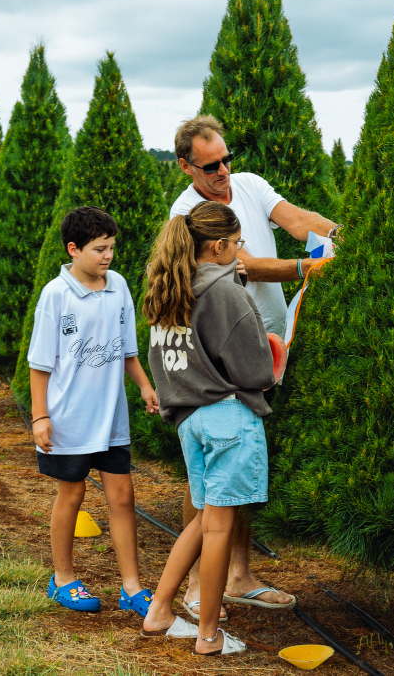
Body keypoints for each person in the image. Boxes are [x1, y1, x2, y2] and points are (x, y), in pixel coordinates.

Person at [169, 115, 340, 621]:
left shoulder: (249, 185)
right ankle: (196, 586)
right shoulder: (188, 212)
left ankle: (238, 576)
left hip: (263, 346)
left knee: (239, 462)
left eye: (226, 159)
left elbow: (298, 221)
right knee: (208, 468)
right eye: (210, 165)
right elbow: (240, 263)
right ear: (185, 167)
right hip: (219, 354)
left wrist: (344, 235)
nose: (223, 171)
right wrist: (305, 267)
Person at [140, 200, 275, 656]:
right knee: (219, 527)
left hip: (190, 420)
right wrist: (273, 351)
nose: (239, 251)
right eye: (237, 243)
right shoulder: (224, 291)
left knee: (203, 521)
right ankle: (209, 635)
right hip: (227, 418)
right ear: (217, 245)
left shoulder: (169, 288)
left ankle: (159, 610)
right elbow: (256, 370)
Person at [28, 206, 160, 617]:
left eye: (111, 248)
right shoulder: (56, 295)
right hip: (69, 419)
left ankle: (132, 587)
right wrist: (40, 416)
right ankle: (63, 578)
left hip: (111, 418)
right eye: (100, 249)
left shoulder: (118, 286)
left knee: (123, 496)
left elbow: (127, 350)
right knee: (72, 493)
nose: (108, 256)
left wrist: (145, 386)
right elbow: (39, 363)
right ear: (73, 249)